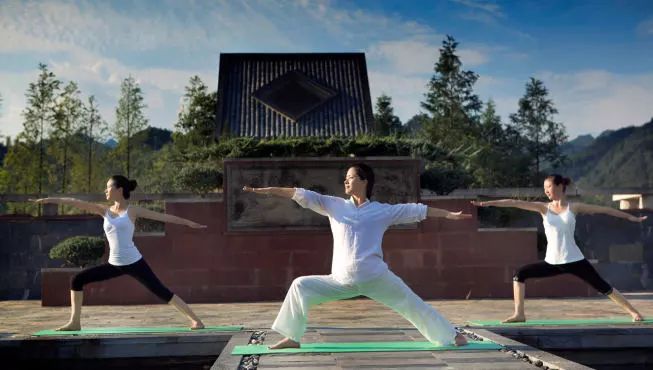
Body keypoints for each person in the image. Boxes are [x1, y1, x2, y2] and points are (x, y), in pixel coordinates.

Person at [243, 163, 471, 349]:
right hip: (341, 280)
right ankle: (292, 337)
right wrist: (266, 190)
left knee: (413, 304)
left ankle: (451, 336)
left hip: (377, 278)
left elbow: (418, 210)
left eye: (350, 177)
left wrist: (449, 214)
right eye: (345, 177)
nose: (345, 181)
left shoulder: (382, 211)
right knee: (300, 286)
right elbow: (297, 193)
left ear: (364, 181)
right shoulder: (333, 205)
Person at [31, 175, 206, 331]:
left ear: (119, 190)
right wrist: (50, 200)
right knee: (77, 280)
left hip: (135, 263)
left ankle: (196, 320)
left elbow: (165, 217)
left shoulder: (132, 211)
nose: (105, 191)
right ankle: (75, 322)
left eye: (108, 187)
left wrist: (189, 223)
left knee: (162, 292)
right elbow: (76, 202)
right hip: (114, 264)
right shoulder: (104, 211)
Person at [472, 174, 646, 323]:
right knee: (520, 274)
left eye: (549, 187)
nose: (546, 191)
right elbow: (514, 202)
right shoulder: (543, 208)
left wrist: (632, 219)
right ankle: (519, 314)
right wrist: (488, 204)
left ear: (560, 186)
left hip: (575, 260)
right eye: (544, 188)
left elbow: (606, 210)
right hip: (552, 261)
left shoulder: (574, 207)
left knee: (603, 286)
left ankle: (633, 311)